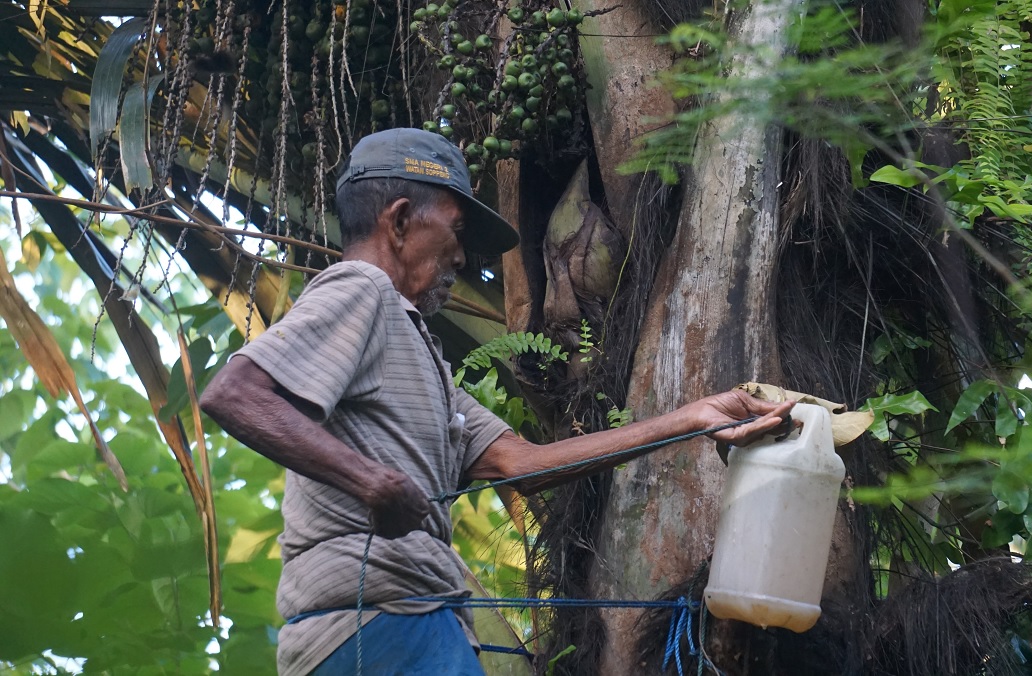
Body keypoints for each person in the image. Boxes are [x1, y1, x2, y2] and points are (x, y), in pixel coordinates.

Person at [200, 127, 793, 675]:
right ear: (400, 220)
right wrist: (371, 483)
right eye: (457, 231)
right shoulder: (363, 288)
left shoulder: (415, 350)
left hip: (407, 625)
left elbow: (523, 465)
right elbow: (236, 394)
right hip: (380, 627)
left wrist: (693, 418)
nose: (462, 258)